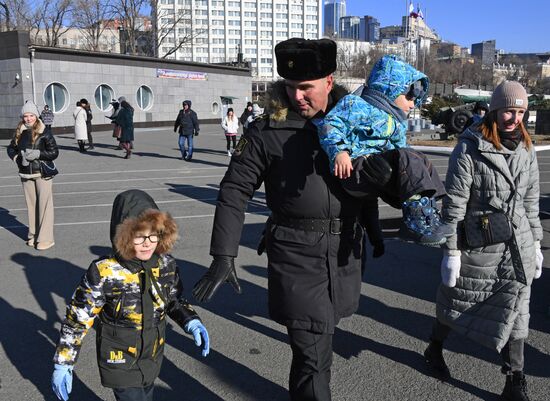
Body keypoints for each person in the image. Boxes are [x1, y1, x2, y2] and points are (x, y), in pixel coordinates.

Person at [193, 38, 366, 401]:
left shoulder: (357, 123)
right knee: (313, 354)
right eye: (290, 87)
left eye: (306, 88)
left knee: (318, 349)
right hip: (296, 254)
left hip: (344, 255)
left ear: (329, 82)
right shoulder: (267, 130)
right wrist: (224, 253)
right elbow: (235, 190)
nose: (297, 96)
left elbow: (380, 177)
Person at [423, 81, 543, 401]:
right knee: (456, 303)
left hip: (520, 246)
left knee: (518, 310)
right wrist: (451, 252)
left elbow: (531, 202)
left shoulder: (527, 148)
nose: (513, 118)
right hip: (482, 243)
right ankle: (434, 347)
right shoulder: (470, 146)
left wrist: (538, 244)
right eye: (508, 110)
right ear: (494, 109)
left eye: (519, 111)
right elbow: (455, 203)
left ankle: (514, 379)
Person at [51, 189, 210, 401]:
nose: (147, 242)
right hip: (119, 357)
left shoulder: (166, 264)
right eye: (139, 236)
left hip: (152, 353)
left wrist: (191, 320)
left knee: (146, 394)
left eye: (153, 235)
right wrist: (64, 362)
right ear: (124, 236)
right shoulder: (105, 271)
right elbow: (78, 318)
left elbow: (173, 299)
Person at [314, 54, 452, 246]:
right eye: (410, 96)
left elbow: (402, 150)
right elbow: (330, 125)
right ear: (390, 90)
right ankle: (414, 220)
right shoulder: (356, 104)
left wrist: (414, 167)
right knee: (408, 156)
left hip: (376, 172)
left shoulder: (396, 121)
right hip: (355, 167)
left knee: (418, 157)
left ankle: (427, 212)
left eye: (417, 98)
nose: (413, 103)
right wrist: (339, 152)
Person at [7, 100, 59, 250]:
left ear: (36, 116)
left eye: (31, 115)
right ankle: (33, 236)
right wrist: (17, 159)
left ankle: (45, 239)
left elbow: (54, 152)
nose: (28, 118)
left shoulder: (45, 131)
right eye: (25, 116)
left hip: (42, 173)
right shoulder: (19, 131)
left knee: (45, 207)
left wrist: (37, 153)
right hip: (25, 175)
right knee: (31, 207)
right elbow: (11, 148)